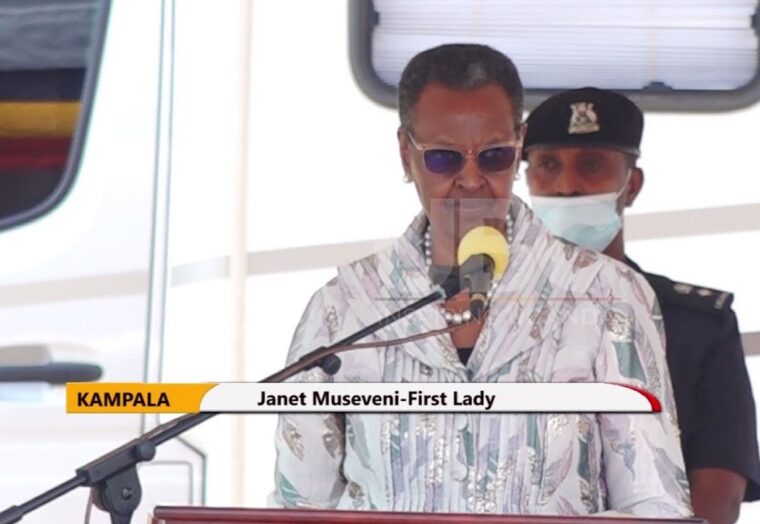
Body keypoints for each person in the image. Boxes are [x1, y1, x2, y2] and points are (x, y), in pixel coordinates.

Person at [269, 45, 692, 517]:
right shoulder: (344, 308)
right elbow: (298, 506)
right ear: (406, 154)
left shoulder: (606, 295)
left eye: (494, 156)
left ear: (519, 146)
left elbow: (656, 505)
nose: (472, 179)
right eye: (445, 159)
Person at [523, 87, 760, 524]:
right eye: (547, 166)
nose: (566, 186)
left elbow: (719, 495)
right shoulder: (492, 315)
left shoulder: (698, 326)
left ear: (631, 185)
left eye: (592, 165)